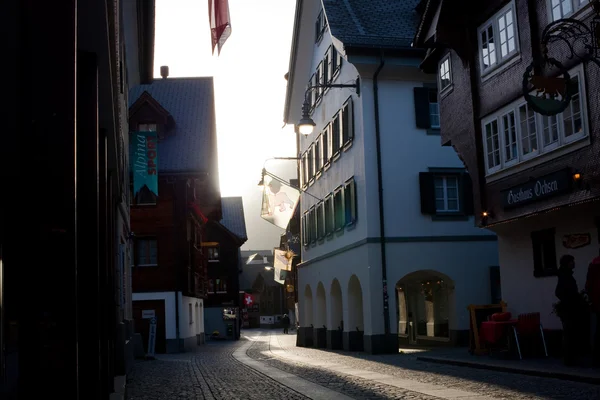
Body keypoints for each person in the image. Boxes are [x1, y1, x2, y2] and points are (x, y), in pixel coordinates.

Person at [555, 254, 586, 365]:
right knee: (569, 333)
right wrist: (570, 300)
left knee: (571, 333)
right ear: (567, 263)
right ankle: (569, 359)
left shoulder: (566, 275)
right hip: (569, 309)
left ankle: (571, 358)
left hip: (571, 307)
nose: (573, 263)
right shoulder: (564, 275)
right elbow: (559, 292)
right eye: (571, 261)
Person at [585, 256, 600, 366]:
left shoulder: (592, 267)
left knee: (598, 332)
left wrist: (592, 300)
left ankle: (596, 358)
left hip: (596, 304)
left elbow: (588, 287)